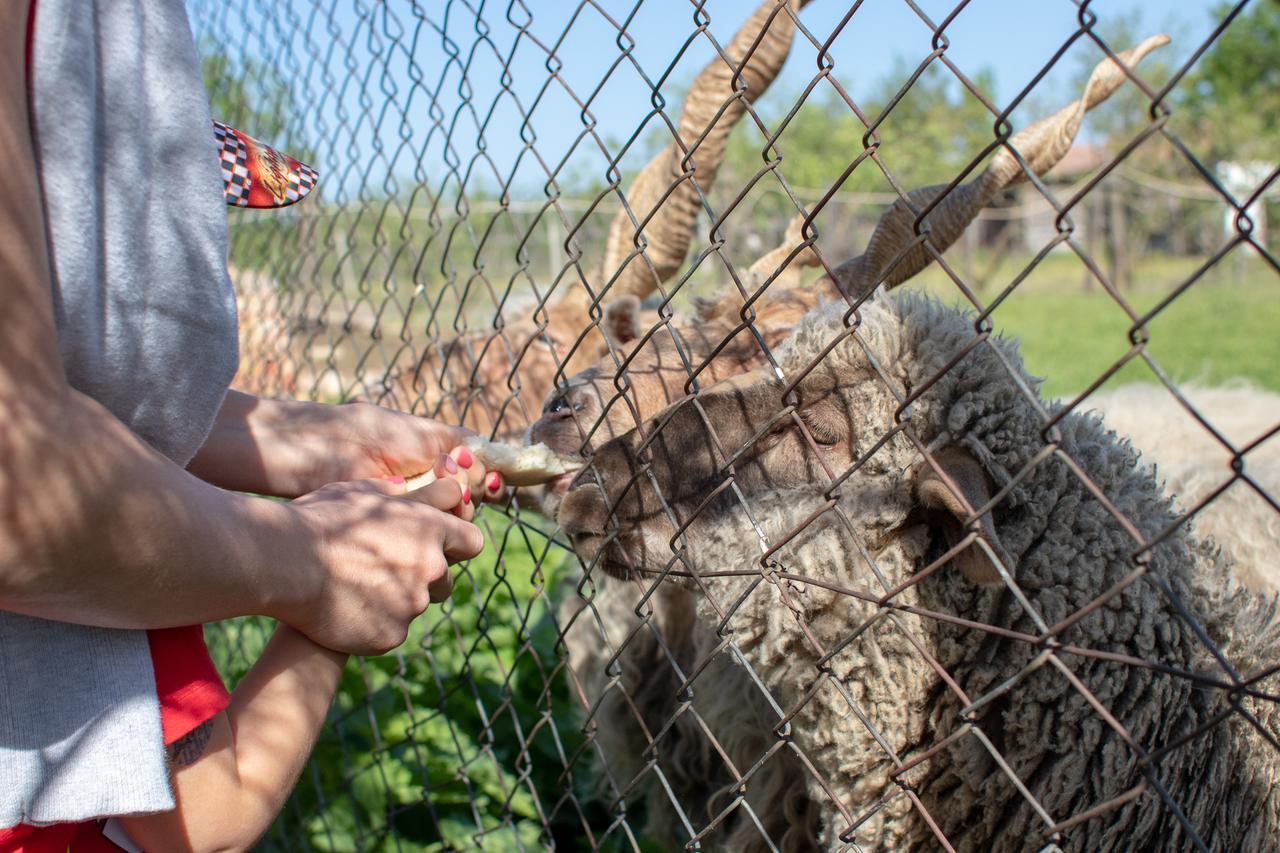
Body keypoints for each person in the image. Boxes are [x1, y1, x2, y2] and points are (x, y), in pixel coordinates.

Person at [0, 0, 503, 847]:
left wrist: (329, 439)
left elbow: (108, 381)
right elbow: (213, 821)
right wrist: (339, 572)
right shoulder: (115, 570)